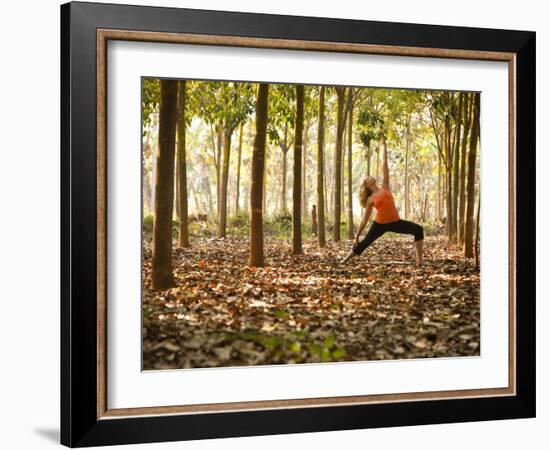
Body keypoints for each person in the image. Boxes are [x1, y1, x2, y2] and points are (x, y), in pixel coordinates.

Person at [342, 136, 424, 265]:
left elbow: (385, 167)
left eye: (370, 176)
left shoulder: (385, 187)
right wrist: (357, 235)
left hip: (395, 222)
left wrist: (384, 146)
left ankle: (419, 260)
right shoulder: (370, 199)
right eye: (368, 178)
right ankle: (346, 258)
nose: (370, 177)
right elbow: (365, 219)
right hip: (379, 225)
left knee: (418, 229)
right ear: (367, 185)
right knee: (365, 243)